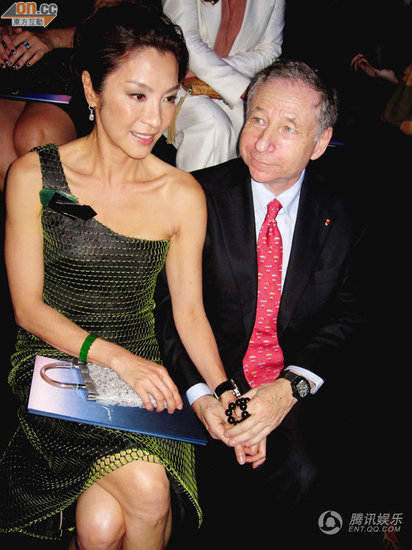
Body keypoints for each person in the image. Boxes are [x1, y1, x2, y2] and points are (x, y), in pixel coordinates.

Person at [0, 4, 231, 549]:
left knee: (101, 527)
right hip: (57, 364)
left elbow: (189, 312)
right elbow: (27, 309)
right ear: (91, 88)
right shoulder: (35, 176)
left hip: (145, 371)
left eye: (169, 97)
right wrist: (117, 359)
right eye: (137, 95)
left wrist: (223, 390)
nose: (156, 119)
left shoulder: (181, 194)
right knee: (147, 489)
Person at [155, 59, 368, 547]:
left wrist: (289, 389)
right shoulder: (197, 195)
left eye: (288, 128)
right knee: (183, 494)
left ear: (320, 142)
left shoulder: (346, 210)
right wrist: (203, 395)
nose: (263, 141)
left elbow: (350, 314)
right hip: (206, 378)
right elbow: (167, 308)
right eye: (257, 119)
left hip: (291, 380)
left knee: (307, 477)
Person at [161, 0, 285, 171]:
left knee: (253, 124)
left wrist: (204, 72)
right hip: (178, 85)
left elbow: (269, 52)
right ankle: (194, 188)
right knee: (213, 125)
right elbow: (186, 42)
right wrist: (242, 89)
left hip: (224, 88)